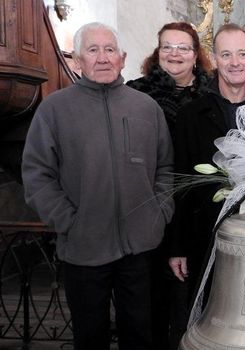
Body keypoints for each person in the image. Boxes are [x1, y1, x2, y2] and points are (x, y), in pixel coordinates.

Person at [21, 22, 174, 350]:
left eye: (109, 50)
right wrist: (70, 222)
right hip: (84, 248)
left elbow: (165, 169)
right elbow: (37, 176)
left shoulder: (146, 107)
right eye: (92, 50)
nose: (102, 58)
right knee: (90, 337)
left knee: (141, 335)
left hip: (141, 248)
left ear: (122, 58)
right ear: (77, 60)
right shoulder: (54, 110)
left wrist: (158, 214)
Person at [168, 23, 245, 334]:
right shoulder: (191, 114)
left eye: (242, 53)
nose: (235, 62)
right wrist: (177, 246)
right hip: (206, 235)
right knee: (212, 324)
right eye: (226, 54)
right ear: (214, 59)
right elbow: (180, 181)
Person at [126, 21, 212, 350]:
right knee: (151, 302)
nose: (175, 53)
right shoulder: (136, 92)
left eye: (183, 47)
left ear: (195, 55)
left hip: (195, 206)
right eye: (167, 47)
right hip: (150, 204)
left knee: (193, 299)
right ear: (157, 52)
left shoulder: (211, 93)